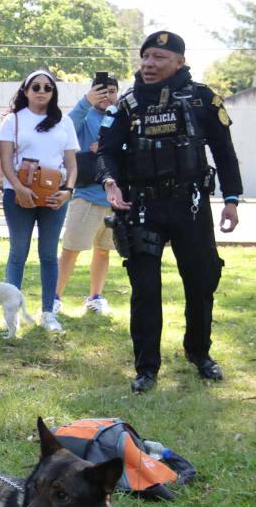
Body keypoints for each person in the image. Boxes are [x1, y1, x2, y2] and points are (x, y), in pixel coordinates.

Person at [98, 31, 242, 393]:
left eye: (159, 57)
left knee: (201, 281)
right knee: (145, 289)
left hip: (190, 206)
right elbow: (106, 152)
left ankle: (199, 353)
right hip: (142, 207)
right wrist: (110, 182)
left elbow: (224, 151)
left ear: (179, 61)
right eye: (146, 56)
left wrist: (232, 199)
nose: (149, 63)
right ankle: (146, 367)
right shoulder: (126, 105)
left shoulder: (202, 99)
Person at [0, 70, 78, 333]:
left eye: (48, 87)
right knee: (18, 253)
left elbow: (71, 164)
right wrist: (18, 188)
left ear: (53, 92)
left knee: (48, 254)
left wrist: (68, 191)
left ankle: (48, 313)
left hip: (54, 195)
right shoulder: (13, 121)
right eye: (36, 87)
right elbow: (6, 161)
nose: (42, 91)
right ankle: (12, 313)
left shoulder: (63, 121)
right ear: (25, 90)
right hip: (19, 195)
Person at [54, 75, 120, 315]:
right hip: (86, 196)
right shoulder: (85, 115)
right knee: (71, 249)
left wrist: (110, 147)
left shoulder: (120, 117)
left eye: (112, 91)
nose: (107, 96)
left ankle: (95, 297)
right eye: (101, 91)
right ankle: (54, 297)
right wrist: (85, 101)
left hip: (113, 200)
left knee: (103, 251)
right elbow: (65, 125)